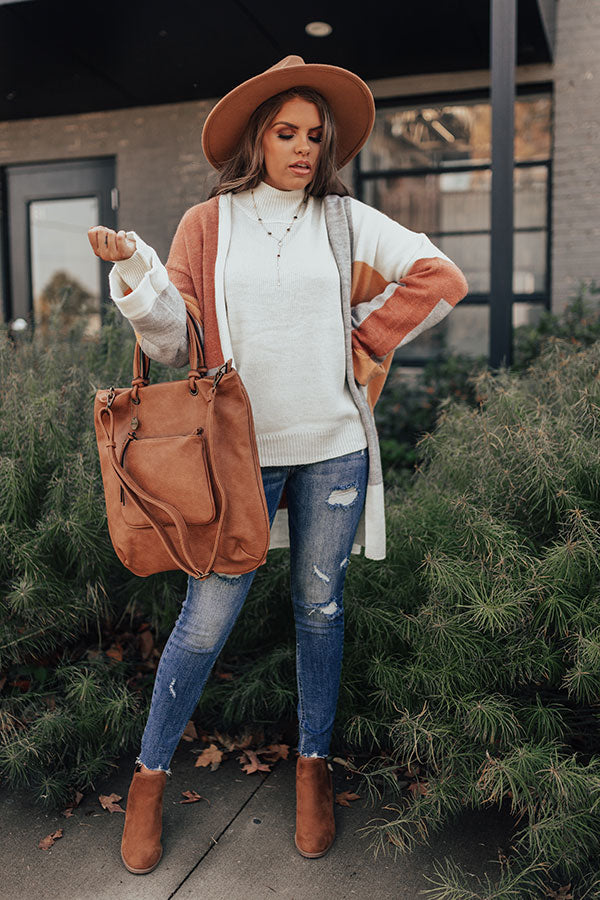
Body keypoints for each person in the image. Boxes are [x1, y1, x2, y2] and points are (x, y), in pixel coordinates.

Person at [88, 55, 468, 875]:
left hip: (332, 449)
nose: (303, 148)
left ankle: (312, 770)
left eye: (315, 136)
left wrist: (360, 343)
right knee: (206, 620)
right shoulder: (206, 223)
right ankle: (149, 779)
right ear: (256, 138)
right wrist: (133, 270)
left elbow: (439, 276)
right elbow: (173, 342)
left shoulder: (346, 218)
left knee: (320, 612)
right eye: (286, 132)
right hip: (234, 459)